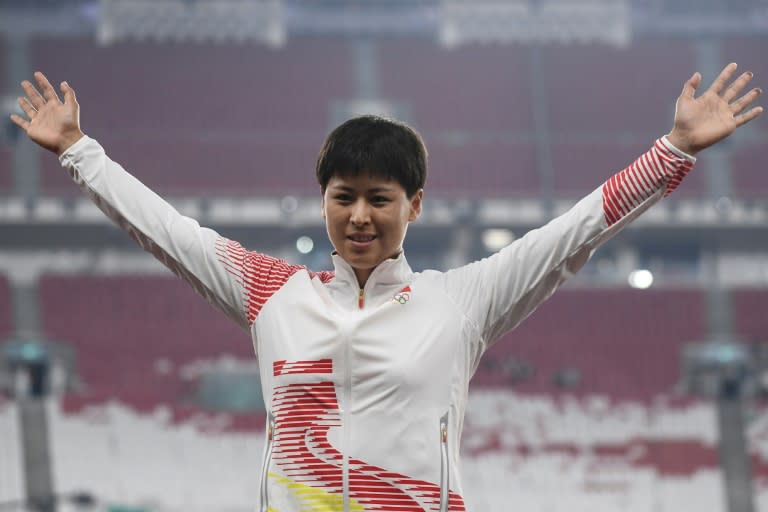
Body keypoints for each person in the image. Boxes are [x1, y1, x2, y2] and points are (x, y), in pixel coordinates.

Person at [10, 64, 763, 511]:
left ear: (414, 205)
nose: (360, 216)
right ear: (323, 201)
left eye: (380, 198)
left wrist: (673, 152)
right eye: (344, 197)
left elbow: (573, 235)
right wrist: (80, 152)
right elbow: (165, 232)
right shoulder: (272, 294)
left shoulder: (460, 303)